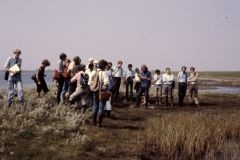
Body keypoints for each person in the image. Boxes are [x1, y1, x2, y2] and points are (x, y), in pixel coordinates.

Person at [90, 60, 109, 127]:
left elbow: (89, 82)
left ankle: (94, 122)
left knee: (95, 105)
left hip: (94, 91)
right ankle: (99, 123)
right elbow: (106, 83)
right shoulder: (103, 73)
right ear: (104, 66)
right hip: (101, 91)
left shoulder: (93, 72)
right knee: (101, 106)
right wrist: (105, 89)